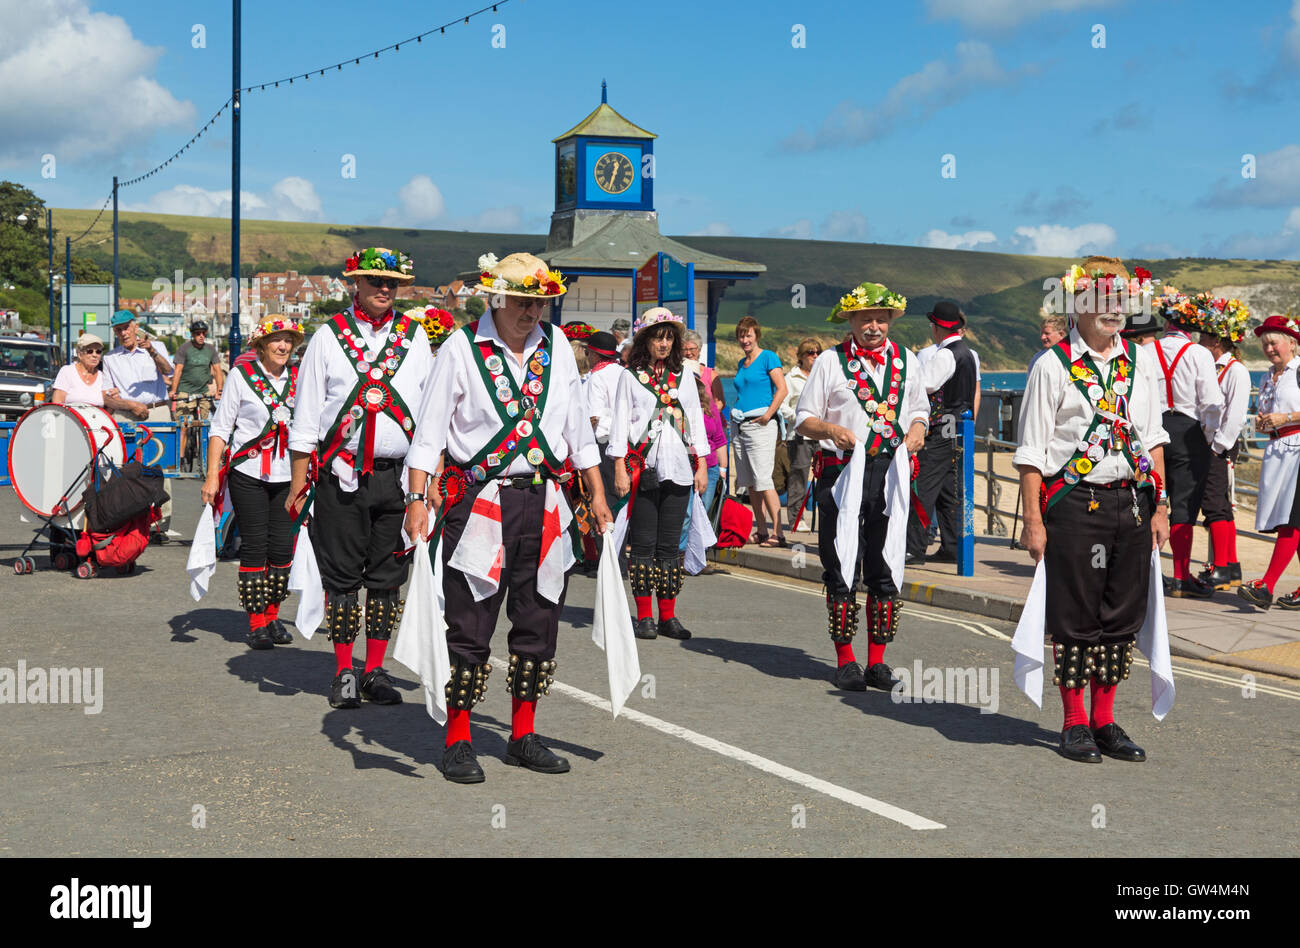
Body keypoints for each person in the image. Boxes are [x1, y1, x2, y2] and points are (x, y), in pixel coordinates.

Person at [404, 251, 613, 783]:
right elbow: (429, 433)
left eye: (540, 302)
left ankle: (522, 735)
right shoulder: (459, 348)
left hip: (545, 502)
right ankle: (457, 740)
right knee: (470, 624)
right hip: (479, 502)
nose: (531, 312)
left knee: (539, 621)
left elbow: (577, 432)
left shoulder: (558, 347)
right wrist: (415, 498)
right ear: (497, 296)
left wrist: (596, 492)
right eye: (522, 300)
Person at [1014, 256, 1169, 763]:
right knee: (1076, 616)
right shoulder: (1051, 365)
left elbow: (1153, 438)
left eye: (1121, 300)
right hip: (1076, 504)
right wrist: (1033, 521)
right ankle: (1075, 722)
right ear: (1078, 304)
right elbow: (1033, 451)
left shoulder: (1142, 361)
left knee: (1123, 613)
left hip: (1133, 503)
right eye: (1103, 299)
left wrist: (1160, 506)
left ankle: (1105, 720)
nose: (1115, 309)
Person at [286, 247, 434, 709]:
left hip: (398, 479)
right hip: (341, 474)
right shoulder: (329, 337)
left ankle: (374, 671)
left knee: (388, 579)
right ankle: (344, 672)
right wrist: (296, 482)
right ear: (356, 284)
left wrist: (426, 488)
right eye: (375, 281)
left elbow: (431, 420)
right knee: (344, 578)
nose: (384, 289)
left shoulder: (417, 339)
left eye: (392, 282)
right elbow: (306, 417)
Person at [794, 280, 928, 691]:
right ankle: (845, 659)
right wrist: (831, 429)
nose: (874, 326)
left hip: (890, 475)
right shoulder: (830, 362)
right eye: (866, 318)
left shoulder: (907, 360)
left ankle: (877, 662)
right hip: (842, 475)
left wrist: (919, 429)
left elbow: (920, 408)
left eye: (881, 319)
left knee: (885, 566)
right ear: (850, 320)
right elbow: (803, 419)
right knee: (842, 566)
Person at [608, 308, 710, 640]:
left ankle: (668, 615)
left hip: (680, 469)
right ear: (645, 340)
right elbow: (620, 423)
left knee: (669, 547)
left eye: (669, 337)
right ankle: (644, 616)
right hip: (643, 468)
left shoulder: (685, 377)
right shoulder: (629, 376)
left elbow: (695, 420)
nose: (664, 343)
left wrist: (703, 464)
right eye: (658, 337)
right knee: (642, 545)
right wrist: (620, 466)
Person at [202, 317, 303, 649]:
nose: (283, 346)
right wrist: (212, 475)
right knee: (255, 546)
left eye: (288, 340)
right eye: (276, 340)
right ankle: (256, 622)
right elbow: (220, 428)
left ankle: (274, 617)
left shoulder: (300, 380)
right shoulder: (241, 378)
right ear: (262, 344)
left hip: (288, 476)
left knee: (282, 549)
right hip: (249, 474)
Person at [1151, 287, 1225, 597]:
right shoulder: (1198, 353)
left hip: (1154, 428)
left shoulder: (1144, 352)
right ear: (1192, 323)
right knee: (1184, 505)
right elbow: (1212, 402)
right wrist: (1207, 435)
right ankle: (1181, 576)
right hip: (1188, 430)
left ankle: (1148, 572)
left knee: (1150, 499)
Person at [907, 301, 977, 565]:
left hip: (941, 429)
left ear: (936, 328)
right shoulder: (967, 352)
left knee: (922, 487)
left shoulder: (946, 354)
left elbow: (926, 384)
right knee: (948, 491)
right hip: (958, 428)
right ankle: (952, 546)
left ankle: (913, 548)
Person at [1237, 315, 1300, 610]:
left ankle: (1267, 585)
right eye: (1265, 344)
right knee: (1291, 518)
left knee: (1291, 518)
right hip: (1278, 449)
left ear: (1292, 343)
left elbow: (1288, 414)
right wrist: (1265, 424)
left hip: (1298, 448)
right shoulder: (1265, 377)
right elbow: (1268, 413)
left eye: (1274, 342)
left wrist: (1285, 418)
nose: (1270, 348)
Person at [1195, 299, 1251, 590]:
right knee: (1221, 507)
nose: (1200, 341)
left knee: (1214, 505)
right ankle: (1230, 566)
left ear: (1217, 340)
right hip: (1211, 444)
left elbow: (1237, 415)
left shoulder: (1235, 371)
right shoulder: (1215, 367)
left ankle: (1220, 568)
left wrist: (1218, 446)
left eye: (1203, 337)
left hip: (1217, 445)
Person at [102, 310, 175, 534]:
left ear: (135, 326)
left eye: (126, 327)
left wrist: (151, 350)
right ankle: (129, 520)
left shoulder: (155, 347)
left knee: (160, 466)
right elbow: (105, 396)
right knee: (124, 467)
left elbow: (168, 371)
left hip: (157, 411)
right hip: (127, 413)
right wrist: (131, 405)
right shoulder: (110, 358)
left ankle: (161, 524)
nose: (123, 333)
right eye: (118, 329)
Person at [731, 315, 788, 546]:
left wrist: (767, 415)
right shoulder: (740, 363)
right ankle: (761, 529)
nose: (745, 339)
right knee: (750, 481)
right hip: (740, 424)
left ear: (756, 336)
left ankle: (779, 532)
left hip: (760, 424)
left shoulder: (768, 357)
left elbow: (782, 389)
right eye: (741, 336)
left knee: (764, 479)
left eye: (748, 335)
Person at [781, 338, 821, 531]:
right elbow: (782, 405)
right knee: (799, 477)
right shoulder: (791, 377)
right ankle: (796, 519)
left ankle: (828, 518)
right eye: (810, 353)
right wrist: (799, 419)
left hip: (822, 434)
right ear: (801, 356)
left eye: (817, 352)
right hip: (799, 436)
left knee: (827, 477)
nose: (815, 356)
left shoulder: (822, 376)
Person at [582, 330, 623, 501]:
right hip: (625, 439)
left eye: (587, 353)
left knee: (608, 494)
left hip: (604, 443)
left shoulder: (597, 377)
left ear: (594, 355)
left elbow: (594, 417)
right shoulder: (623, 372)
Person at [52, 333, 122, 407]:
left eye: (98, 351)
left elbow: (110, 406)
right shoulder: (67, 372)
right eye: (90, 351)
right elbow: (57, 403)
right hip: (71, 417)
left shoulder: (103, 376)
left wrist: (115, 398)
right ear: (79, 354)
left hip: (97, 418)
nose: (94, 355)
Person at [1027, 310, 1068, 375]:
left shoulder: (1075, 358)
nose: (1042, 337)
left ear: (1061, 334)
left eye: (1047, 333)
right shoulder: (1037, 359)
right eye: (1042, 333)